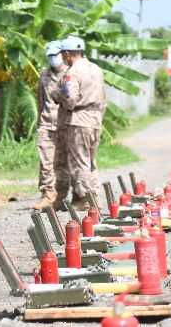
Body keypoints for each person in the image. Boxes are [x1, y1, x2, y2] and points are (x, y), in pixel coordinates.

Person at [58, 36, 107, 211]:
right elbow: (104, 98)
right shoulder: (96, 69)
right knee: (91, 161)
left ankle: (84, 199)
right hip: (95, 119)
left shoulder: (72, 72)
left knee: (80, 161)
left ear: (66, 53)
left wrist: (63, 103)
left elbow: (70, 100)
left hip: (79, 120)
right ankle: (95, 197)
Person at [32, 41, 66, 210]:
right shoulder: (44, 74)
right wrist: (39, 122)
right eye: (50, 56)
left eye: (56, 55)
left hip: (64, 125)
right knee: (46, 162)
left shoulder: (70, 73)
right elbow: (40, 99)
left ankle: (62, 197)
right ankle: (47, 194)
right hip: (46, 123)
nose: (53, 59)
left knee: (62, 163)